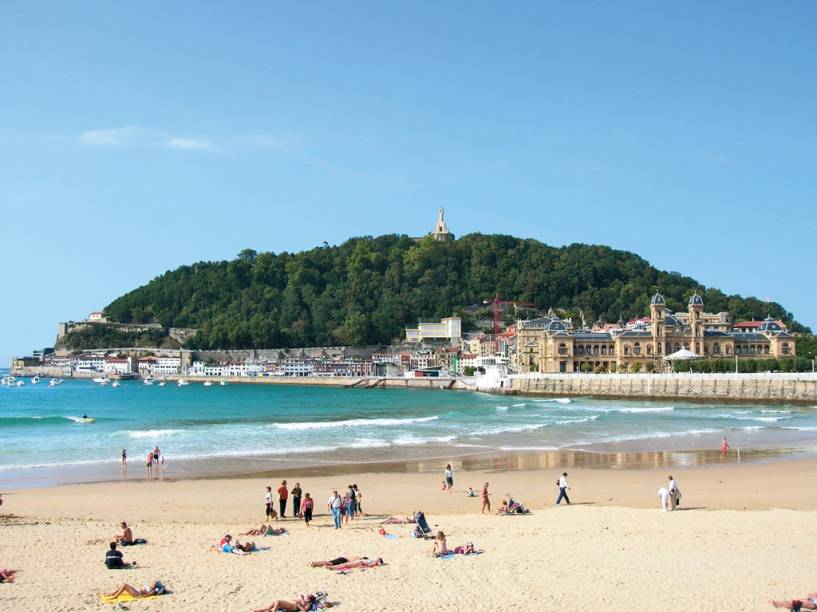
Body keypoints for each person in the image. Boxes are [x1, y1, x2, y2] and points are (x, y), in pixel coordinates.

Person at [253, 593, 317, 612]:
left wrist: (299, 605)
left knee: (277, 601)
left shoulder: (308, 603)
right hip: (288, 603)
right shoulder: (302, 598)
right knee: (273, 603)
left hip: (293, 606)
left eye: (308, 595)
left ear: (309, 599)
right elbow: (300, 594)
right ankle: (260, 610)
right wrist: (301, 597)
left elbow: (305, 610)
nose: (306, 595)